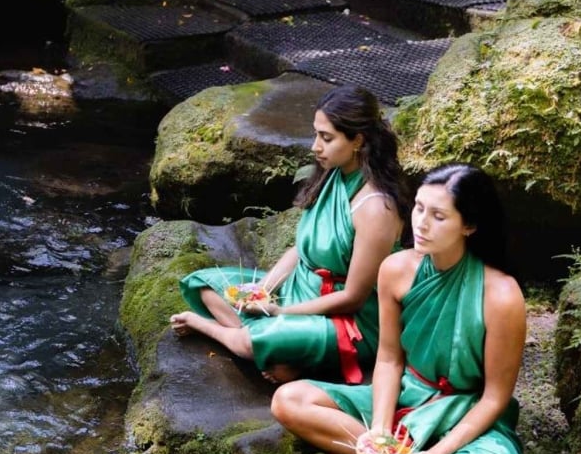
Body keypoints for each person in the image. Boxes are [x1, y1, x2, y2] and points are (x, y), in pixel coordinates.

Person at [269, 163, 525, 454]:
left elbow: (495, 397)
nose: (420, 223)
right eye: (419, 208)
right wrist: (379, 431)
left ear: (469, 225)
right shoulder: (396, 269)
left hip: (465, 412)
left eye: (438, 216)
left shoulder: (502, 295)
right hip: (407, 395)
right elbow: (389, 360)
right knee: (288, 401)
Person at [169, 85, 406, 384]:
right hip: (300, 288)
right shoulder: (334, 173)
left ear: (358, 140)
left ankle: (216, 330)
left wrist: (281, 311)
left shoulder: (376, 208)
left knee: (253, 341)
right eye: (316, 134)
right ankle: (285, 356)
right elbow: (301, 249)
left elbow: (353, 297)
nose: (315, 146)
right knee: (204, 284)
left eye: (327, 138)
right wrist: (262, 289)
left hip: (346, 319)